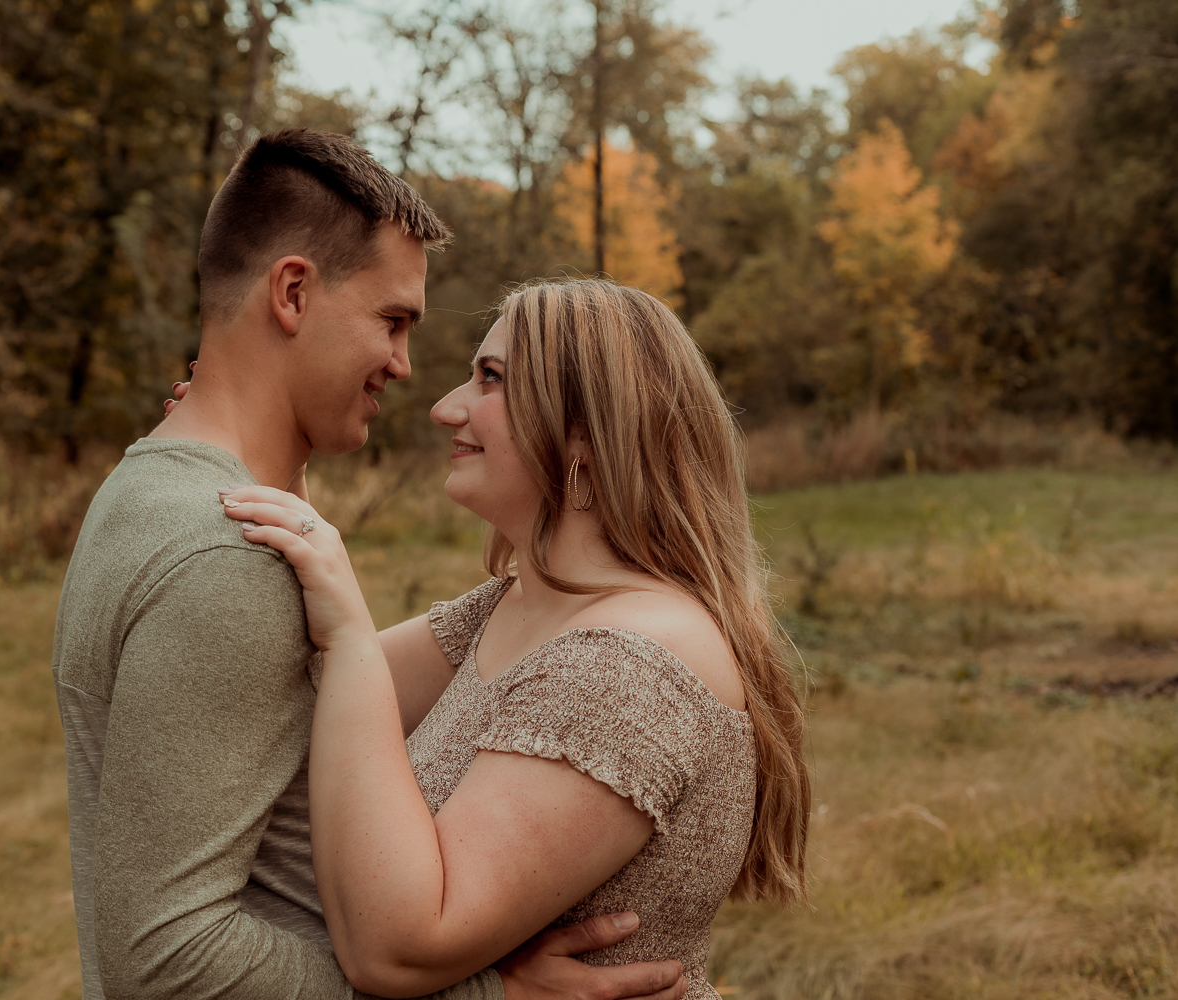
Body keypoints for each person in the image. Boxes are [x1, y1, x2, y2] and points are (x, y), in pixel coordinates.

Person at [51, 130, 690, 1000]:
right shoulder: (223, 553)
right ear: (292, 292)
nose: (406, 366)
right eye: (392, 320)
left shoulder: (148, 489)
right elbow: (164, 962)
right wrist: (487, 996)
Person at [221, 278, 811, 998]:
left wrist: (349, 634)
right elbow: (303, 699)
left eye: (490, 379)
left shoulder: (627, 666)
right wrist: (262, 459)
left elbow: (398, 947)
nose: (446, 407)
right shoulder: (519, 609)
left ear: (586, 436)